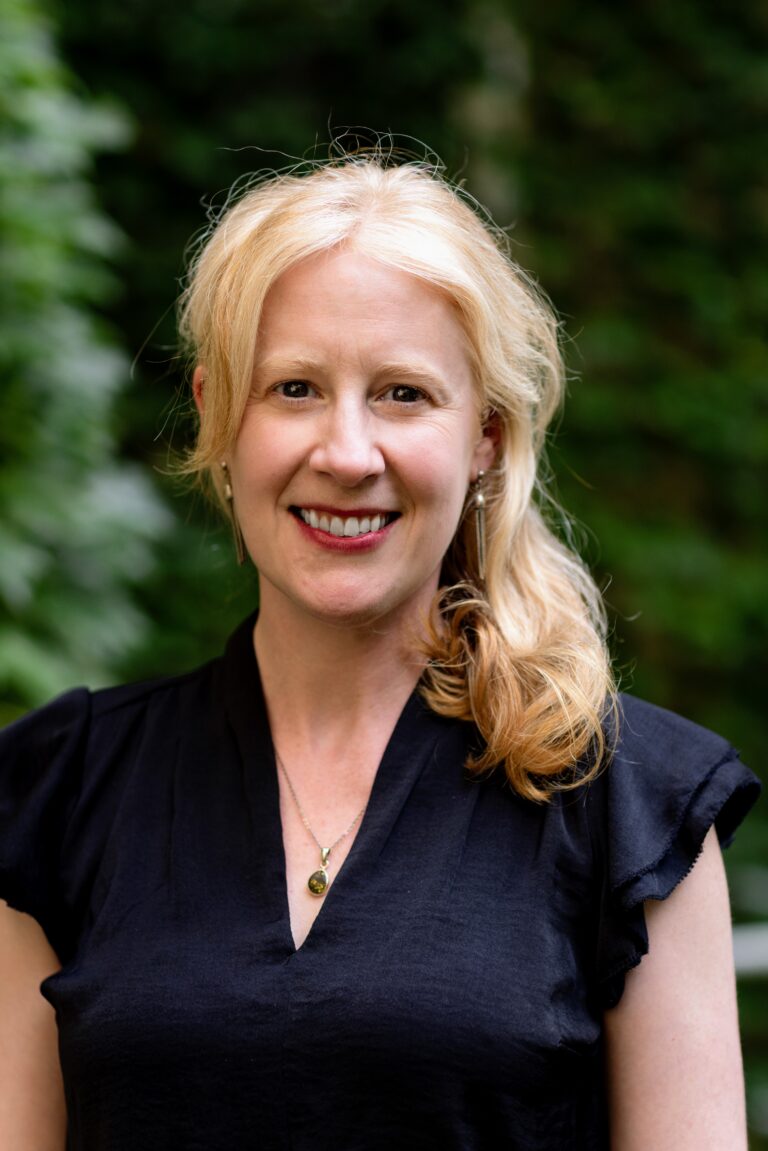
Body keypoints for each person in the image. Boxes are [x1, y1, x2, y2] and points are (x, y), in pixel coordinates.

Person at [0, 153, 760, 1151]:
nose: (348, 452)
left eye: (403, 393)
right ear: (218, 414)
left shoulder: (632, 808)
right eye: (296, 388)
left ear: (485, 435)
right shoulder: (60, 787)